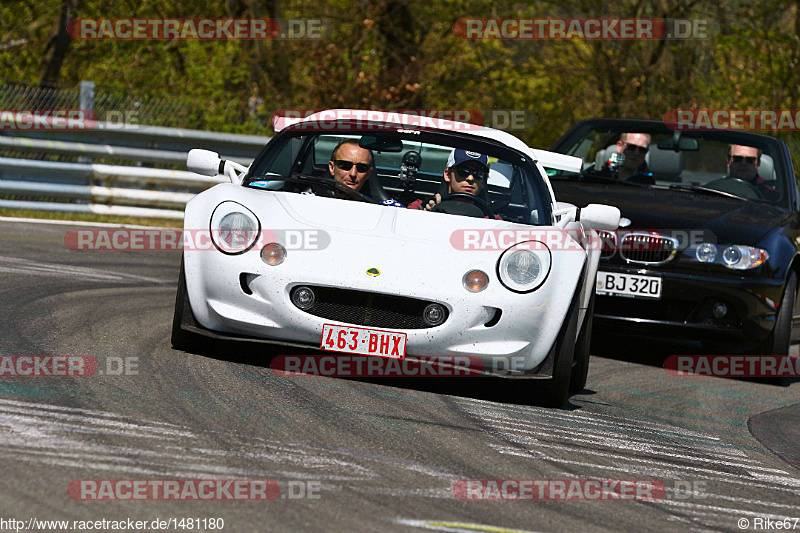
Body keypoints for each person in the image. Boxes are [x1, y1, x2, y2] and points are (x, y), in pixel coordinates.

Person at [407, 149, 490, 211]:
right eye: (463, 171)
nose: (470, 178)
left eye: (478, 173)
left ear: (483, 182)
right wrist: (426, 216)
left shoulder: (493, 221)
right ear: (447, 175)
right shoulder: (419, 208)